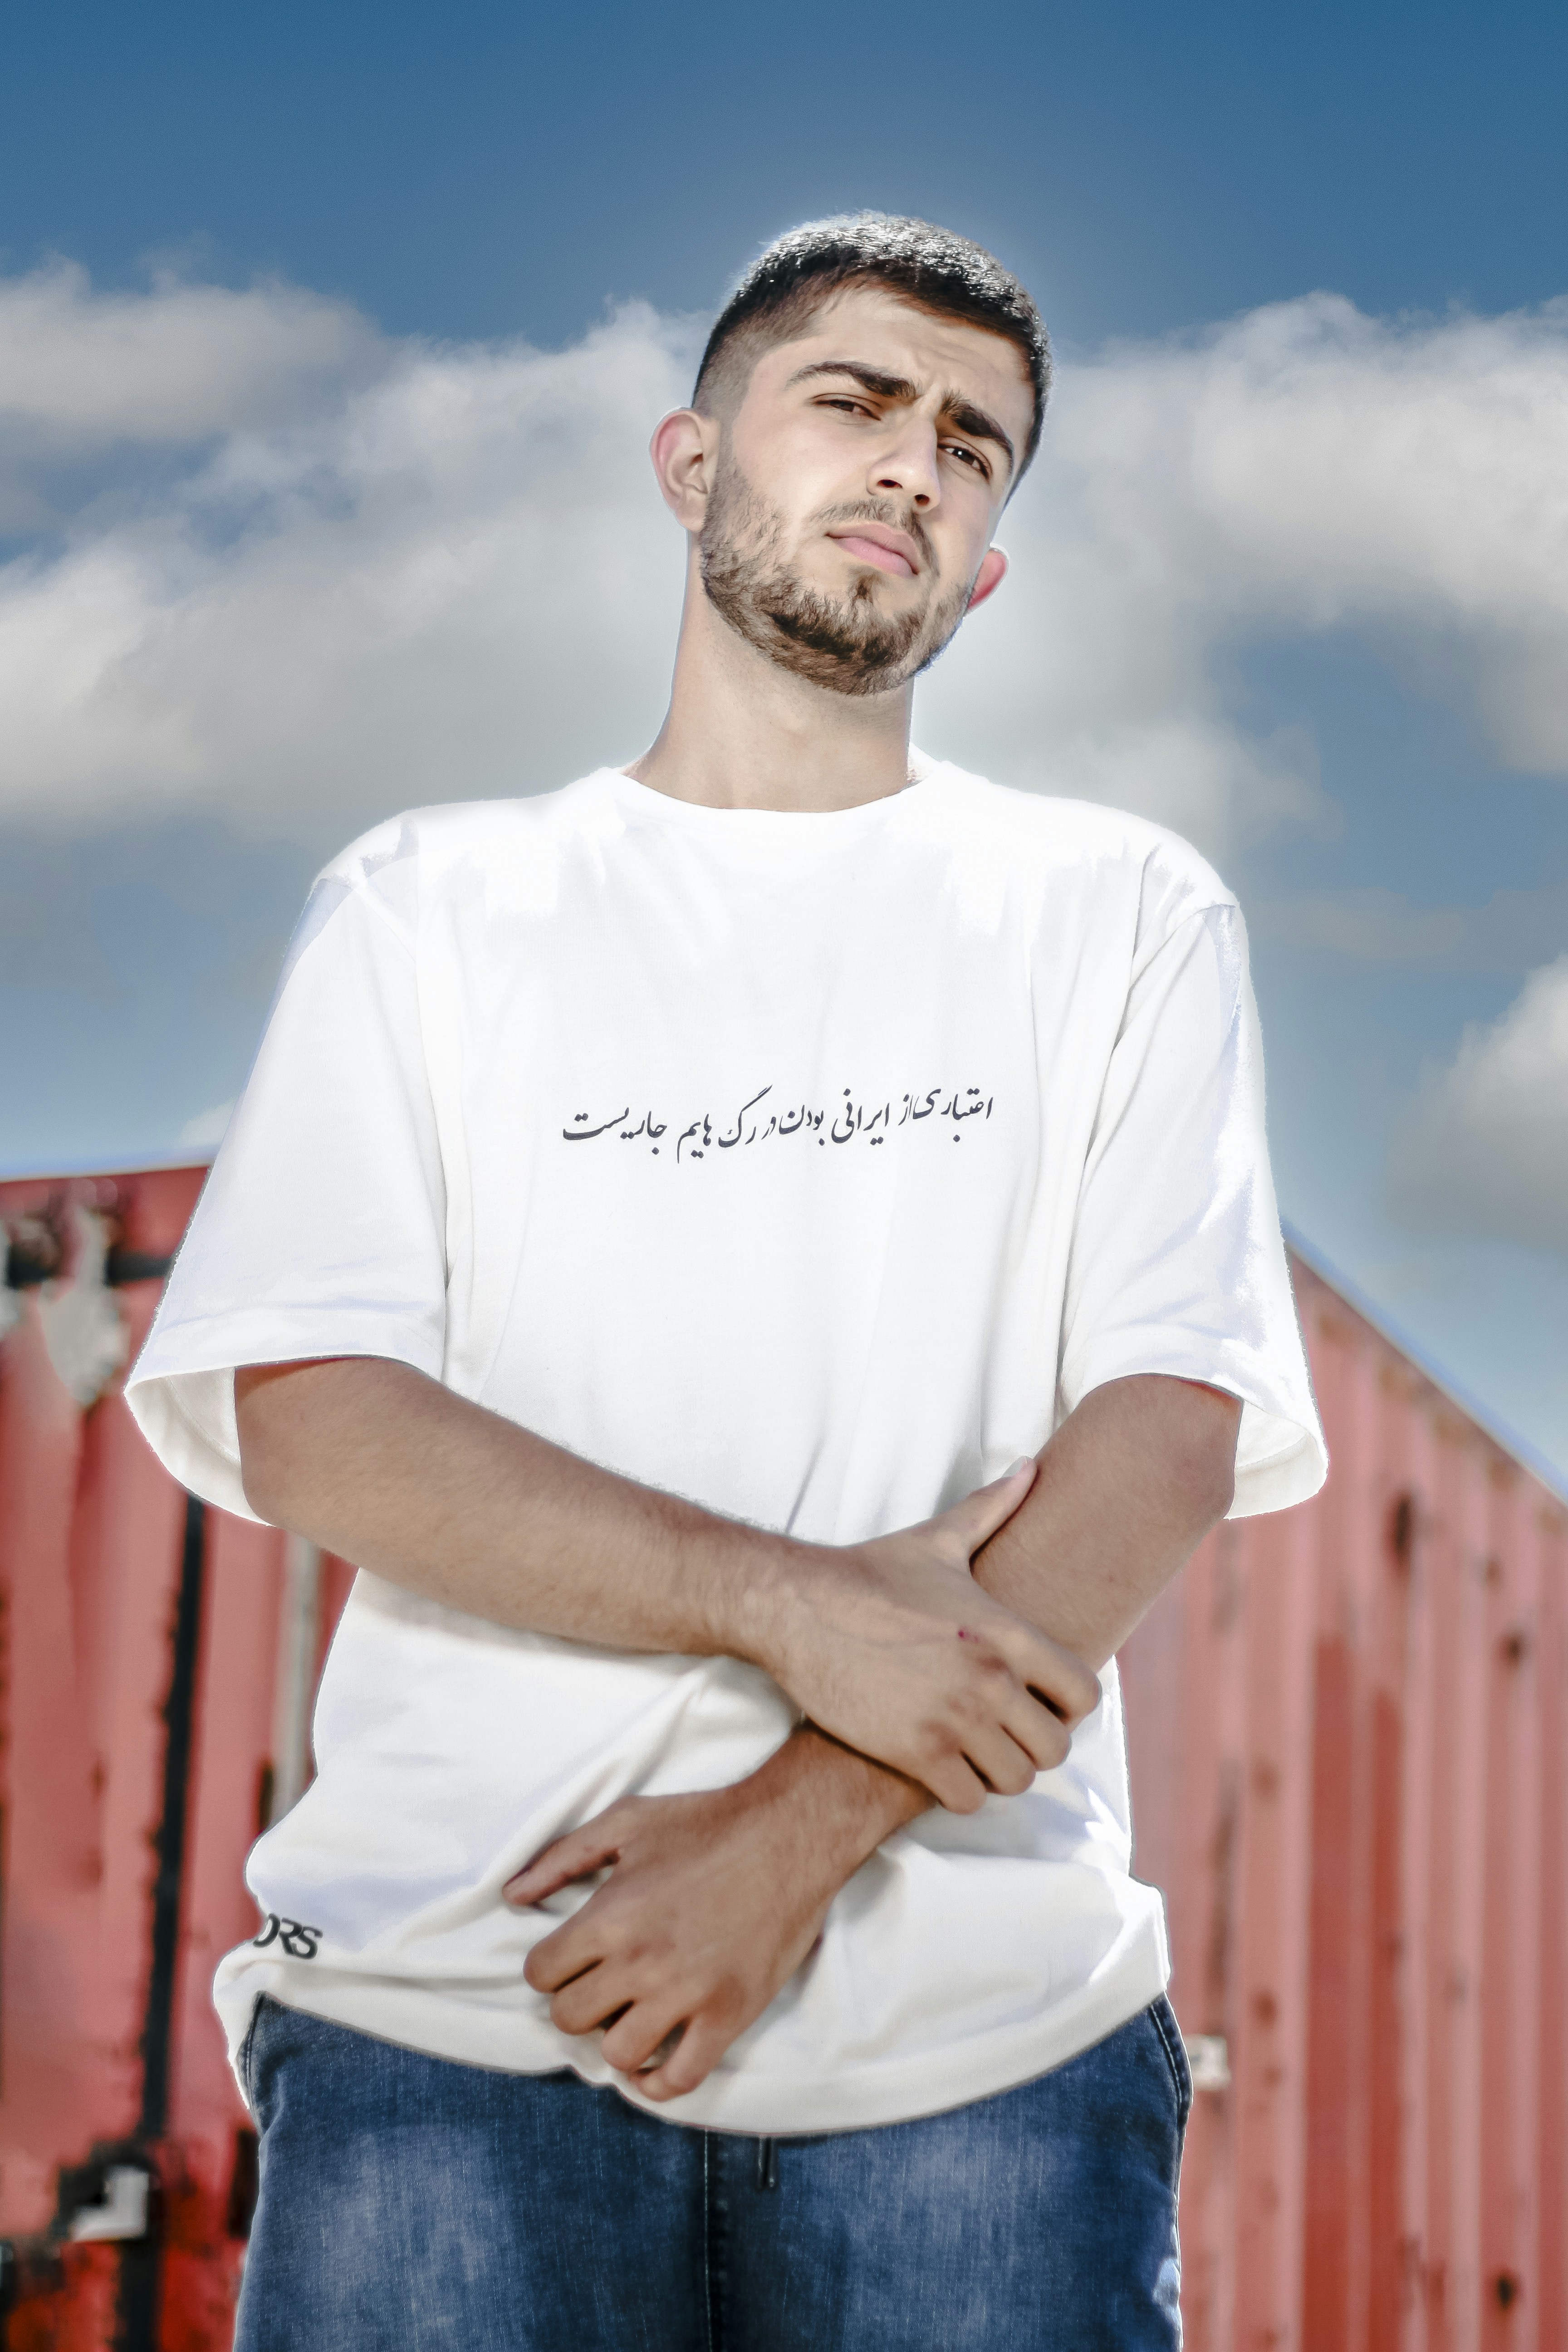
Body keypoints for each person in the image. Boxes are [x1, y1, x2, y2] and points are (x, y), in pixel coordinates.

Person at [130, 212, 1325, 2350]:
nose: (916, 467)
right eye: (853, 402)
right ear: (692, 467)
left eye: (975, 447)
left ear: (991, 562)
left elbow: (1167, 1426)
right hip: (448, 2023)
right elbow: (318, 1413)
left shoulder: (1121, 911)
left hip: (983, 2059)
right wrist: (802, 1609)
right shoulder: (434, 906)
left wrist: (791, 1836)